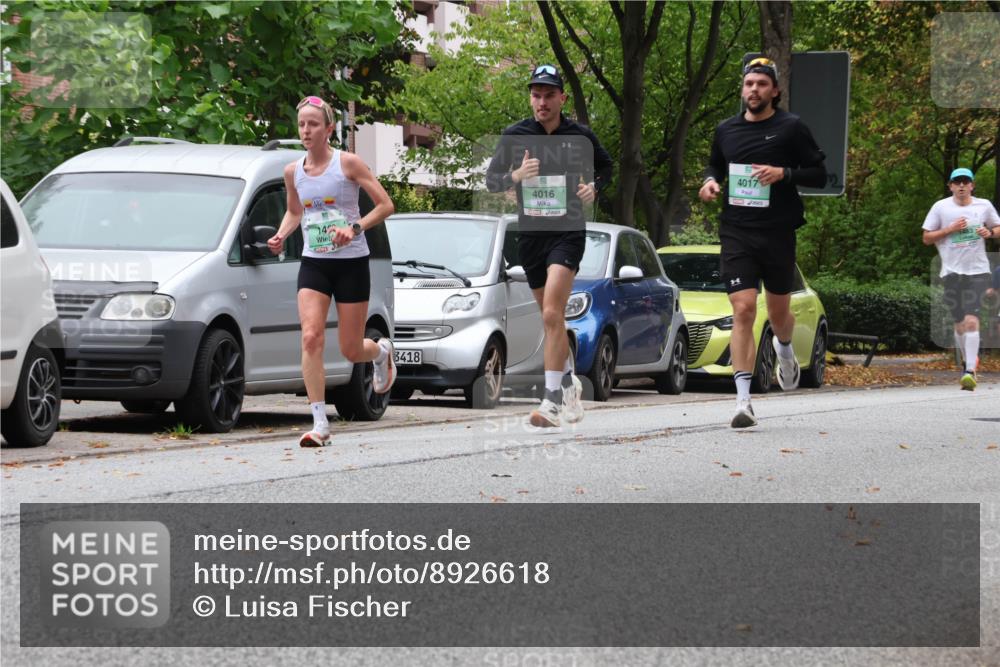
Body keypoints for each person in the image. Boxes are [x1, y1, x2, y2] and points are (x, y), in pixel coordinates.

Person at [698, 57, 828, 428]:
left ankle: (784, 349)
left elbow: (819, 174)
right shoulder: (726, 130)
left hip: (778, 232)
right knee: (742, 310)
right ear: (742, 89)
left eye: (761, 84)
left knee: (779, 314)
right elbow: (714, 165)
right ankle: (743, 401)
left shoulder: (791, 128)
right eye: (748, 84)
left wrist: (783, 173)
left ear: (774, 90)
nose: (753, 90)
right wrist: (709, 182)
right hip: (737, 230)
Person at [486, 65, 613, 428]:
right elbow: (492, 181)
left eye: (548, 95)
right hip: (531, 236)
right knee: (551, 319)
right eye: (535, 95)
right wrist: (515, 176)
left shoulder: (580, 137)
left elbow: (607, 167)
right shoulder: (515, 136)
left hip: (567, 232)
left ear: (561, 98)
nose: (541, 102)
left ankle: (552, 400)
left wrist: (595, 188)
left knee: (552, 315)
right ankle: (570, 382)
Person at [267, 95, 396, 446]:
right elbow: (295, 212)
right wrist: (282, 234)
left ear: (328, 129)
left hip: (352, 263)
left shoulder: (348, 164)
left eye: (312, 124)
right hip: (315, 263)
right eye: (301, 124)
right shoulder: (293, 172)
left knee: (352, 350)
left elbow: (386, 205)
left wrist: (354, 228)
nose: (306, 131)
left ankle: (382, 353)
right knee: (311, 336)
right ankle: (320, 423)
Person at [921, 167, 1000, 391]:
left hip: (978, 271)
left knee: (971, 320)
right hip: (951, 272)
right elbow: (926, 238)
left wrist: (990, 233)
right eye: (958, 182)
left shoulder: (983, 205)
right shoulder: (941, 207)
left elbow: (998, 227)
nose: (962, 186)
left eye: (966, 182)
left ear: (972, 185)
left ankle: (969, 371)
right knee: (959, 324)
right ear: (951, 186)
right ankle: (967, 359)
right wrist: (950, 229)